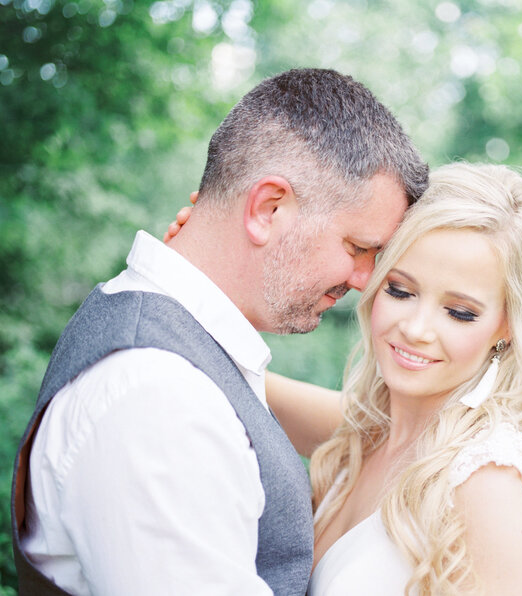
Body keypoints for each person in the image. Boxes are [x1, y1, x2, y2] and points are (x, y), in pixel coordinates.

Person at [11, 68, 428, 596]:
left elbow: (383, 432)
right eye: (356, 247)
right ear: (268, 208)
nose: (365, 280)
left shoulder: (182, 353)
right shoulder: (158, 397)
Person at [179, 162, 522, 594]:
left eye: (459, 312)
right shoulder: (367, 432)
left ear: (506, 329)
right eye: (400, 291)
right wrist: (202, 253)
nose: (416, 328)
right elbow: (238, 380)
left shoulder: (491, 487)